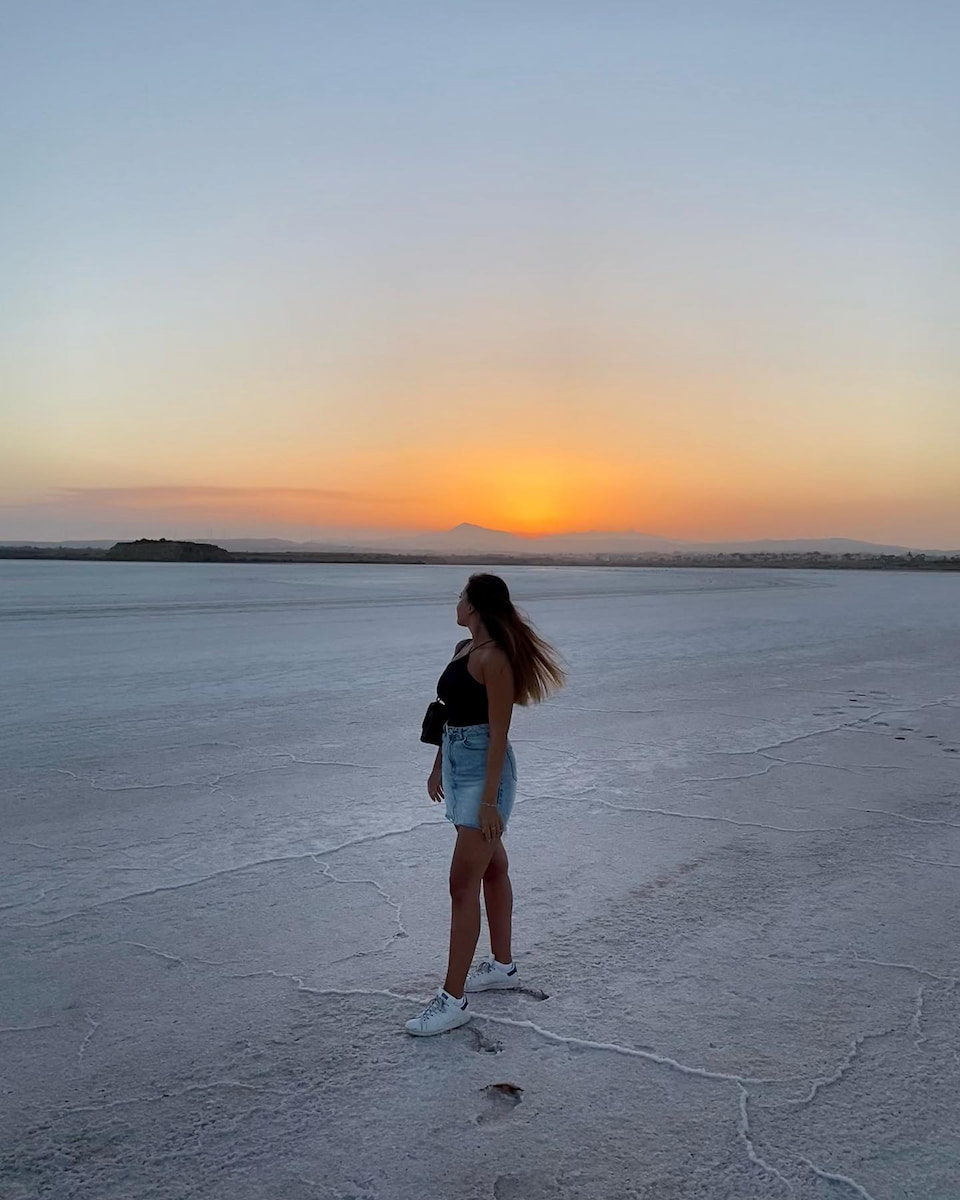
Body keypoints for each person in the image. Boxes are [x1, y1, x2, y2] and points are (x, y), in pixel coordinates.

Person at [405, 573, 566, 1036]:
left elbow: (499, 733)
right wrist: (439, 765)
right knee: (493, 869)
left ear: (474, 606)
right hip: (457, 763)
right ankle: (502, 966)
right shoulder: (464, 650)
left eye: (460, 597)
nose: (455, 603)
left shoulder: (495, 659)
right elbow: (450, 712)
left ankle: (453, 1000)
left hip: (484, 772)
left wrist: (491, 801)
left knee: (461, 886)